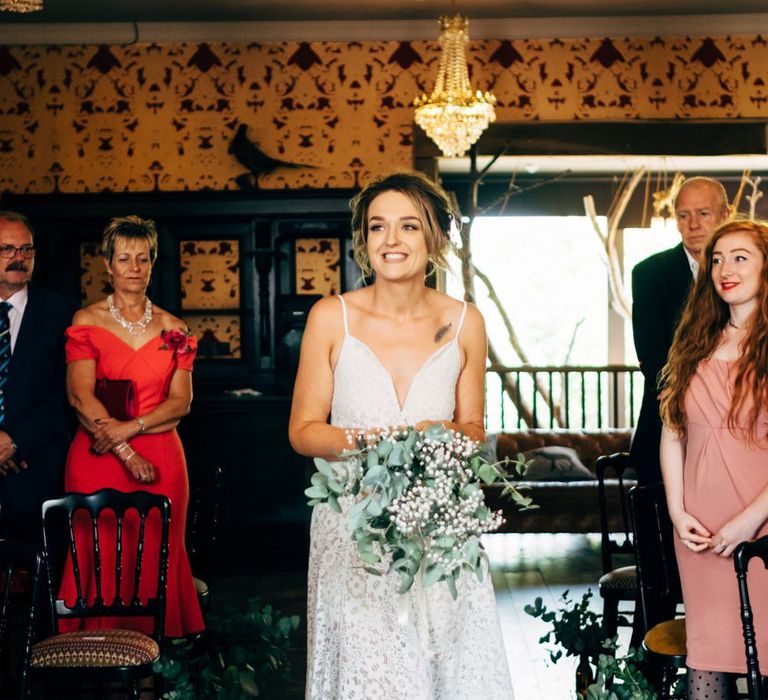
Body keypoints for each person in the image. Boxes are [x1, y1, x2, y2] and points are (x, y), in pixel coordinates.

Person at [289, 171, 513, 699]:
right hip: (351, 522)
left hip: (438, 523)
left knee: (446, 660)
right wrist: (376, 442)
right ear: (365, 241)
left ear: (434, 236)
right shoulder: (331, 317)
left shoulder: (466, 322)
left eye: (408, 226)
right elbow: (302, 432)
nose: (392, 241)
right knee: (370, 664)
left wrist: (439, 432)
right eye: (377, 227)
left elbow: (473, 429)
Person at [61, 215, 203, 637]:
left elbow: (181, 402)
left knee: (158, 553)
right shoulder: (86, 320)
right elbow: (79, 397)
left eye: (143, 259)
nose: (134, 268)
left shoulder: (174, 328)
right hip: (97, 454)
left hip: (161, 458)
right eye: (124, 259)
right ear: (107, 265)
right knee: (97, 552)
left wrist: (132, 428)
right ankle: (95, 660)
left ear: (153, 263)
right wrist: (123, 448)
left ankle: (150, 667)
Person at [659, 219, 768, 698]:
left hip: (762, 524)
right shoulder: (694, 343)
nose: (725, 268)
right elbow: (671, 436)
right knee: (706, 657)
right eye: (718, 259)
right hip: (700, 533)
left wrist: (750, 522)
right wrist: (678, 512)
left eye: (740, 257)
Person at [631, 176, 729, 484]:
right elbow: (652, 357)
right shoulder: (649, 273)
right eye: (684, 215)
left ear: (725, 215)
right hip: (668, 419)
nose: (693, 224)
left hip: (736, 423)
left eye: (704, 213)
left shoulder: (748, 268)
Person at [0, 211, 77, 545]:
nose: (19, 258)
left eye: (26, 249)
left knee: (42, 584)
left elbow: (66, 395)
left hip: (36, 469)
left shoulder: (64, 314)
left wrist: (12, 442)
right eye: (7, 249)